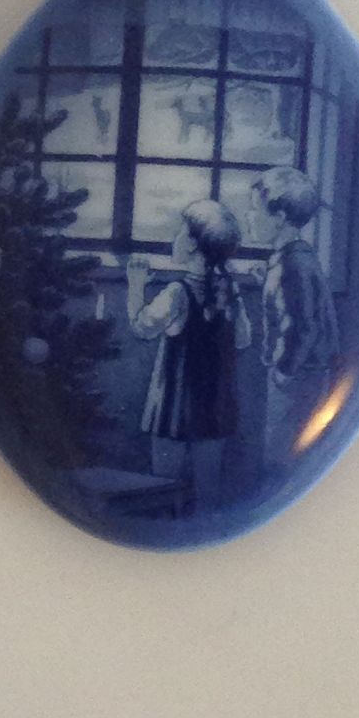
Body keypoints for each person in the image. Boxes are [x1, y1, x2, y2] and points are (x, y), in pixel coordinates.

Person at [126, 200, 251, 508]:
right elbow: (243, 339)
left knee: (162, 488)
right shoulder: (230, 291)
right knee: (209, 490)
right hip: (213, 408)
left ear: (193, 244)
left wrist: (135, 286)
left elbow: (142, 328)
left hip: (173, 408)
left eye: (180, 232)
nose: (175, 238)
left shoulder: (177, 293)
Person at [248, 167, 341, 467]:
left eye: (255, 210)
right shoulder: (288, 259)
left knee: (282, 453)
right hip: (299, 371)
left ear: (279, 217)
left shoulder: (294, 265)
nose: (249, 217)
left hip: (298, 375)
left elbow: (302, 326)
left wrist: (284, 371)